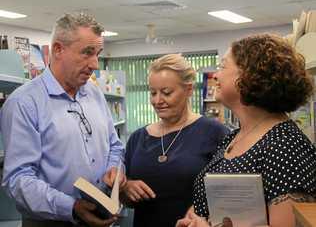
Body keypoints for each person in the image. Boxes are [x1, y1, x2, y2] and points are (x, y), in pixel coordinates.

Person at [176, 33, 316, 227]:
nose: (216, 75)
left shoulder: (285, 144)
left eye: (223, 66)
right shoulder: (233, 137)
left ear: (250, 75)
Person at [0, 12, 126, 227]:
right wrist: (71, 208)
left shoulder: (94, 94)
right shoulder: (25, 102)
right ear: (58, 50)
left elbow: (114, 146)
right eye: (87, 53)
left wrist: (115, 170)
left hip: (102, 217)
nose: (95, 64)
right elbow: (18, 179)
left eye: (98, 53)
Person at [122, 54, 229, 227]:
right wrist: (126, 188)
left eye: (166, 93)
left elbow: (229, 192)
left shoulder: (214, 133)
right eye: (153, 93)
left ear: (188, 90)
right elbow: (125, 199)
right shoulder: (138, 138)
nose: (158, 101)